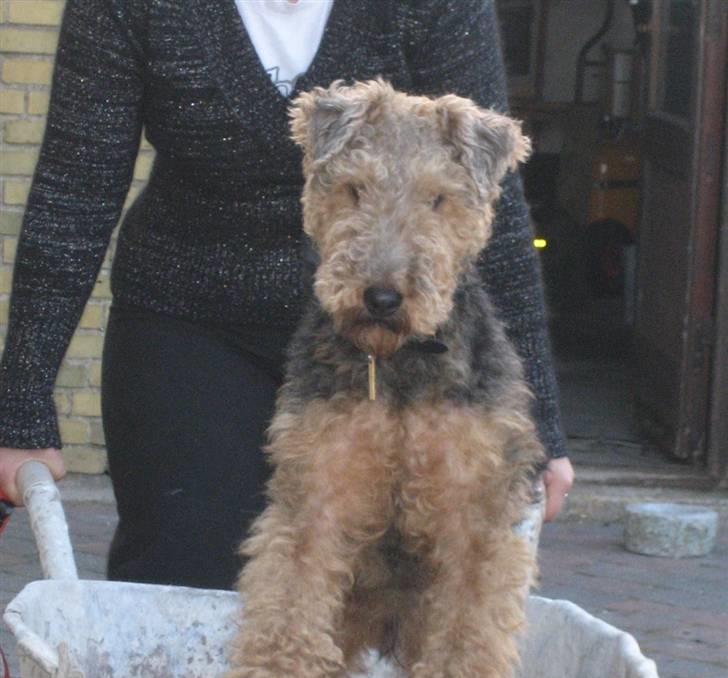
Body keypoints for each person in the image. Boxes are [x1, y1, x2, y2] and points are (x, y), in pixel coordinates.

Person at [0, 0, 574, 591]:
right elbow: (74, 193)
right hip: (187, 323)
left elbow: (491, 210)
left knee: (377, 592)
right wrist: (21, 414)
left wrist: (541, 430)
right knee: (181, 575)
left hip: (388, 345)